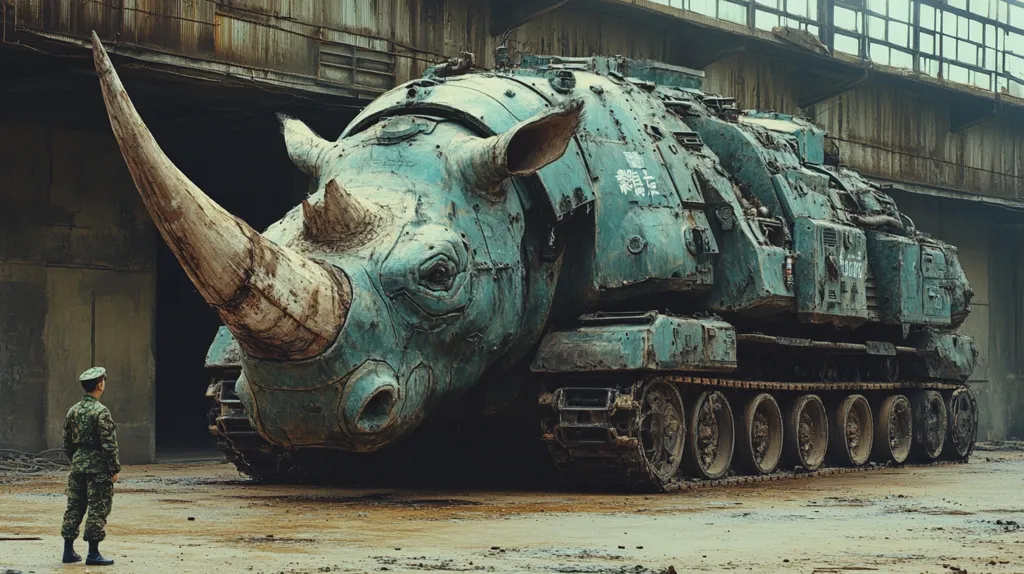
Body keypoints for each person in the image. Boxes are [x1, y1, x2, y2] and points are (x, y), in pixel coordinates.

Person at [60, 367, 120, 566]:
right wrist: (114, 469)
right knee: (97, 507)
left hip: (78, 466)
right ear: (100, 384)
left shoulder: (73, 410)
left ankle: (68, 551)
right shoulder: (101, 412)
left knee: (75, 506)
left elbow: (66, 442)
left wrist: (76, 459)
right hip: (97, 468)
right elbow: (109, 444)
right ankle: (93, 553)